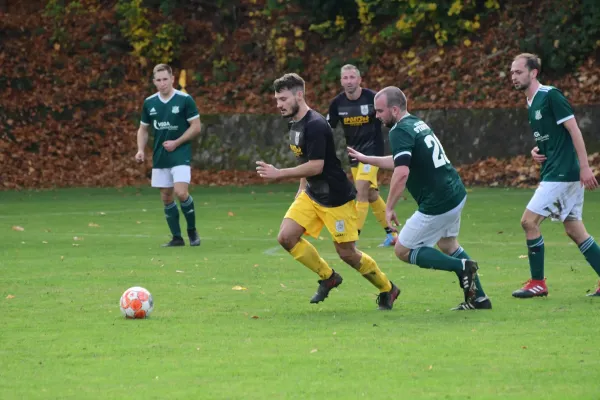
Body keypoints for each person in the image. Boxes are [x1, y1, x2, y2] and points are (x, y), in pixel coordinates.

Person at [256, 73, 400, 310]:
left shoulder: (316, 125)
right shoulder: (294, 122)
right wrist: (302, 188)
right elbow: (304, 157)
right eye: (276, 99)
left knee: (347, 254)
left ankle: (388, 288)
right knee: (286, 237)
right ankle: (328, 276)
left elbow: (317, 165)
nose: (279, 104)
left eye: (283, 98)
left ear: (299, 95)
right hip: (312, 194)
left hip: (336, 199)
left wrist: (278, 173)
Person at [348, 86, 490, 310]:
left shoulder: (399, 131)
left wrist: (389, 207)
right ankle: (479, 298)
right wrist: (368, 158)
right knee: (447, 243)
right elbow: (399, 160)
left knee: (402, 250)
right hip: (455, 192)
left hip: (438, 202)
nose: (377, 116)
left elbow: (402, 172)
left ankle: (462, 267)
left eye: (380, 111)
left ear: (394, 110)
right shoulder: (415, 123)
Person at [509, 53, 600, 298]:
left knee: (529, 222)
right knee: (575, 230)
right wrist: (536, 150)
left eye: (518, 72)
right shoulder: (530, 103)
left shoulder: (550, 96)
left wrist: (585, 166)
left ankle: (538, 283)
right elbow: (550, 137)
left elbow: (574, 130)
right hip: (556, 171)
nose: (513, 76)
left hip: (563, 174)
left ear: (533, 72)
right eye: (512, 73)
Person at [327, 64, 397, 247]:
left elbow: (392, 117)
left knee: (361, 191)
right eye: (345, 78)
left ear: (359, 80)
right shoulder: (337, 104)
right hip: (354, 156)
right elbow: (327, 129)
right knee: (371, 194)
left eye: (352, 77)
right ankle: (393, 234)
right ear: (341, 81)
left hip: (372, 152)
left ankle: (352, 236)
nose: (349, 81)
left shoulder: (373, 98)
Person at [135, 64, 202, 247]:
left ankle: (192, 231)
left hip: (180, 153)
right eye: (158, 80)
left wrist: (177, 143)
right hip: (160, 156)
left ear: (172, 79)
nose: (162, 83)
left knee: (181, 192)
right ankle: (177, 238)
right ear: (154, 82)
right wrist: (141, 150)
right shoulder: (150, 103)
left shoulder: (184, 100)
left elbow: (196, 127)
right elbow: (143, 129)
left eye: (165, 79)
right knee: (166, 196)